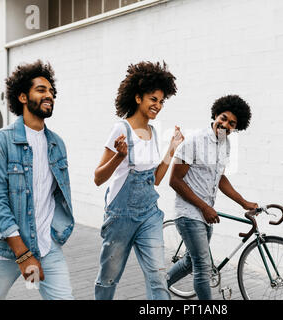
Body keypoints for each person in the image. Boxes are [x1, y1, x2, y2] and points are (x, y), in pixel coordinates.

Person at [0, 60, 74, 300]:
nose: (49, 95)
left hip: (45, 248)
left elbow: (55, 195)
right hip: (7, 252)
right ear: (22, 97)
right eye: (41, 90)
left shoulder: (56, 144)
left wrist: (52, 234)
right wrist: (23, 255)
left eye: (51, 91)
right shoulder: (1, 142)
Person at [94, 61, 184, 300]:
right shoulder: (120, 129)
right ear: (137, 98)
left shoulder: (153, 133)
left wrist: (172, 148)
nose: (158, 105)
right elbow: (98, 178)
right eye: (153, 99)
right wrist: (119, 157)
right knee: (108, 279)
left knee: (158, 278)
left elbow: (154, 180)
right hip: (120, 217)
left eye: (161, 101)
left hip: (148, 216)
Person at [166, 94, 258, 300]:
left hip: (206, 213)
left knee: (192, 262)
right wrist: (205, 208)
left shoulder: (225, 144)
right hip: (189, 213)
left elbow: (220, 177)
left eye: (232, 123)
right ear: (216, 114)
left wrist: (244, 202)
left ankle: (158, 286)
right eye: (223, 118)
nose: (225, 124)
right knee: (202, 266)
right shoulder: (194, 141)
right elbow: (175, 180)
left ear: (237, 127)